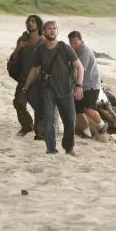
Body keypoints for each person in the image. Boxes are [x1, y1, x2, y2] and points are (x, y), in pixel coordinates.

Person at [23, 21, 84, 156]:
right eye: (49, 29)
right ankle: (51, 148)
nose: (52, 31)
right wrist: (26, 87)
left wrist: (79, 86)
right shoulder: (40, 51)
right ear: (44, 31)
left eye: (54, 28)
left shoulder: (65, 48)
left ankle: (68, 148)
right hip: (48, 89)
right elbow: (34, 71)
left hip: (66, 89)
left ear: (57, 31)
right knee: (48, 120)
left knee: (70, 121)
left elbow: (80, 67)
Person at [67, 31, 107, 139]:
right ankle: (87, 133)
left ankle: (102, 125)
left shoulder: (84, 51)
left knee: (88, 109)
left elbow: (80, 70)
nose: (73, 45)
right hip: (80, 86)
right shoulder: (75, 51)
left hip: (91, 85)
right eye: (71, 43)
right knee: (78, 112)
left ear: (80, 40)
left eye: (75, 43)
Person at [10, 14, 43, 137]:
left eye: (33, 21)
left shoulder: (43, 40)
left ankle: (40, 132)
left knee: (39, 106)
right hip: (24, 78)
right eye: (28, 21)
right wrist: (19, 48)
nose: (30, 23)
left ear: (38, 24)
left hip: (39, 79)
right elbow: (14, 57)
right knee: (18, 102)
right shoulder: (22, 40)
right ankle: (27, 125)